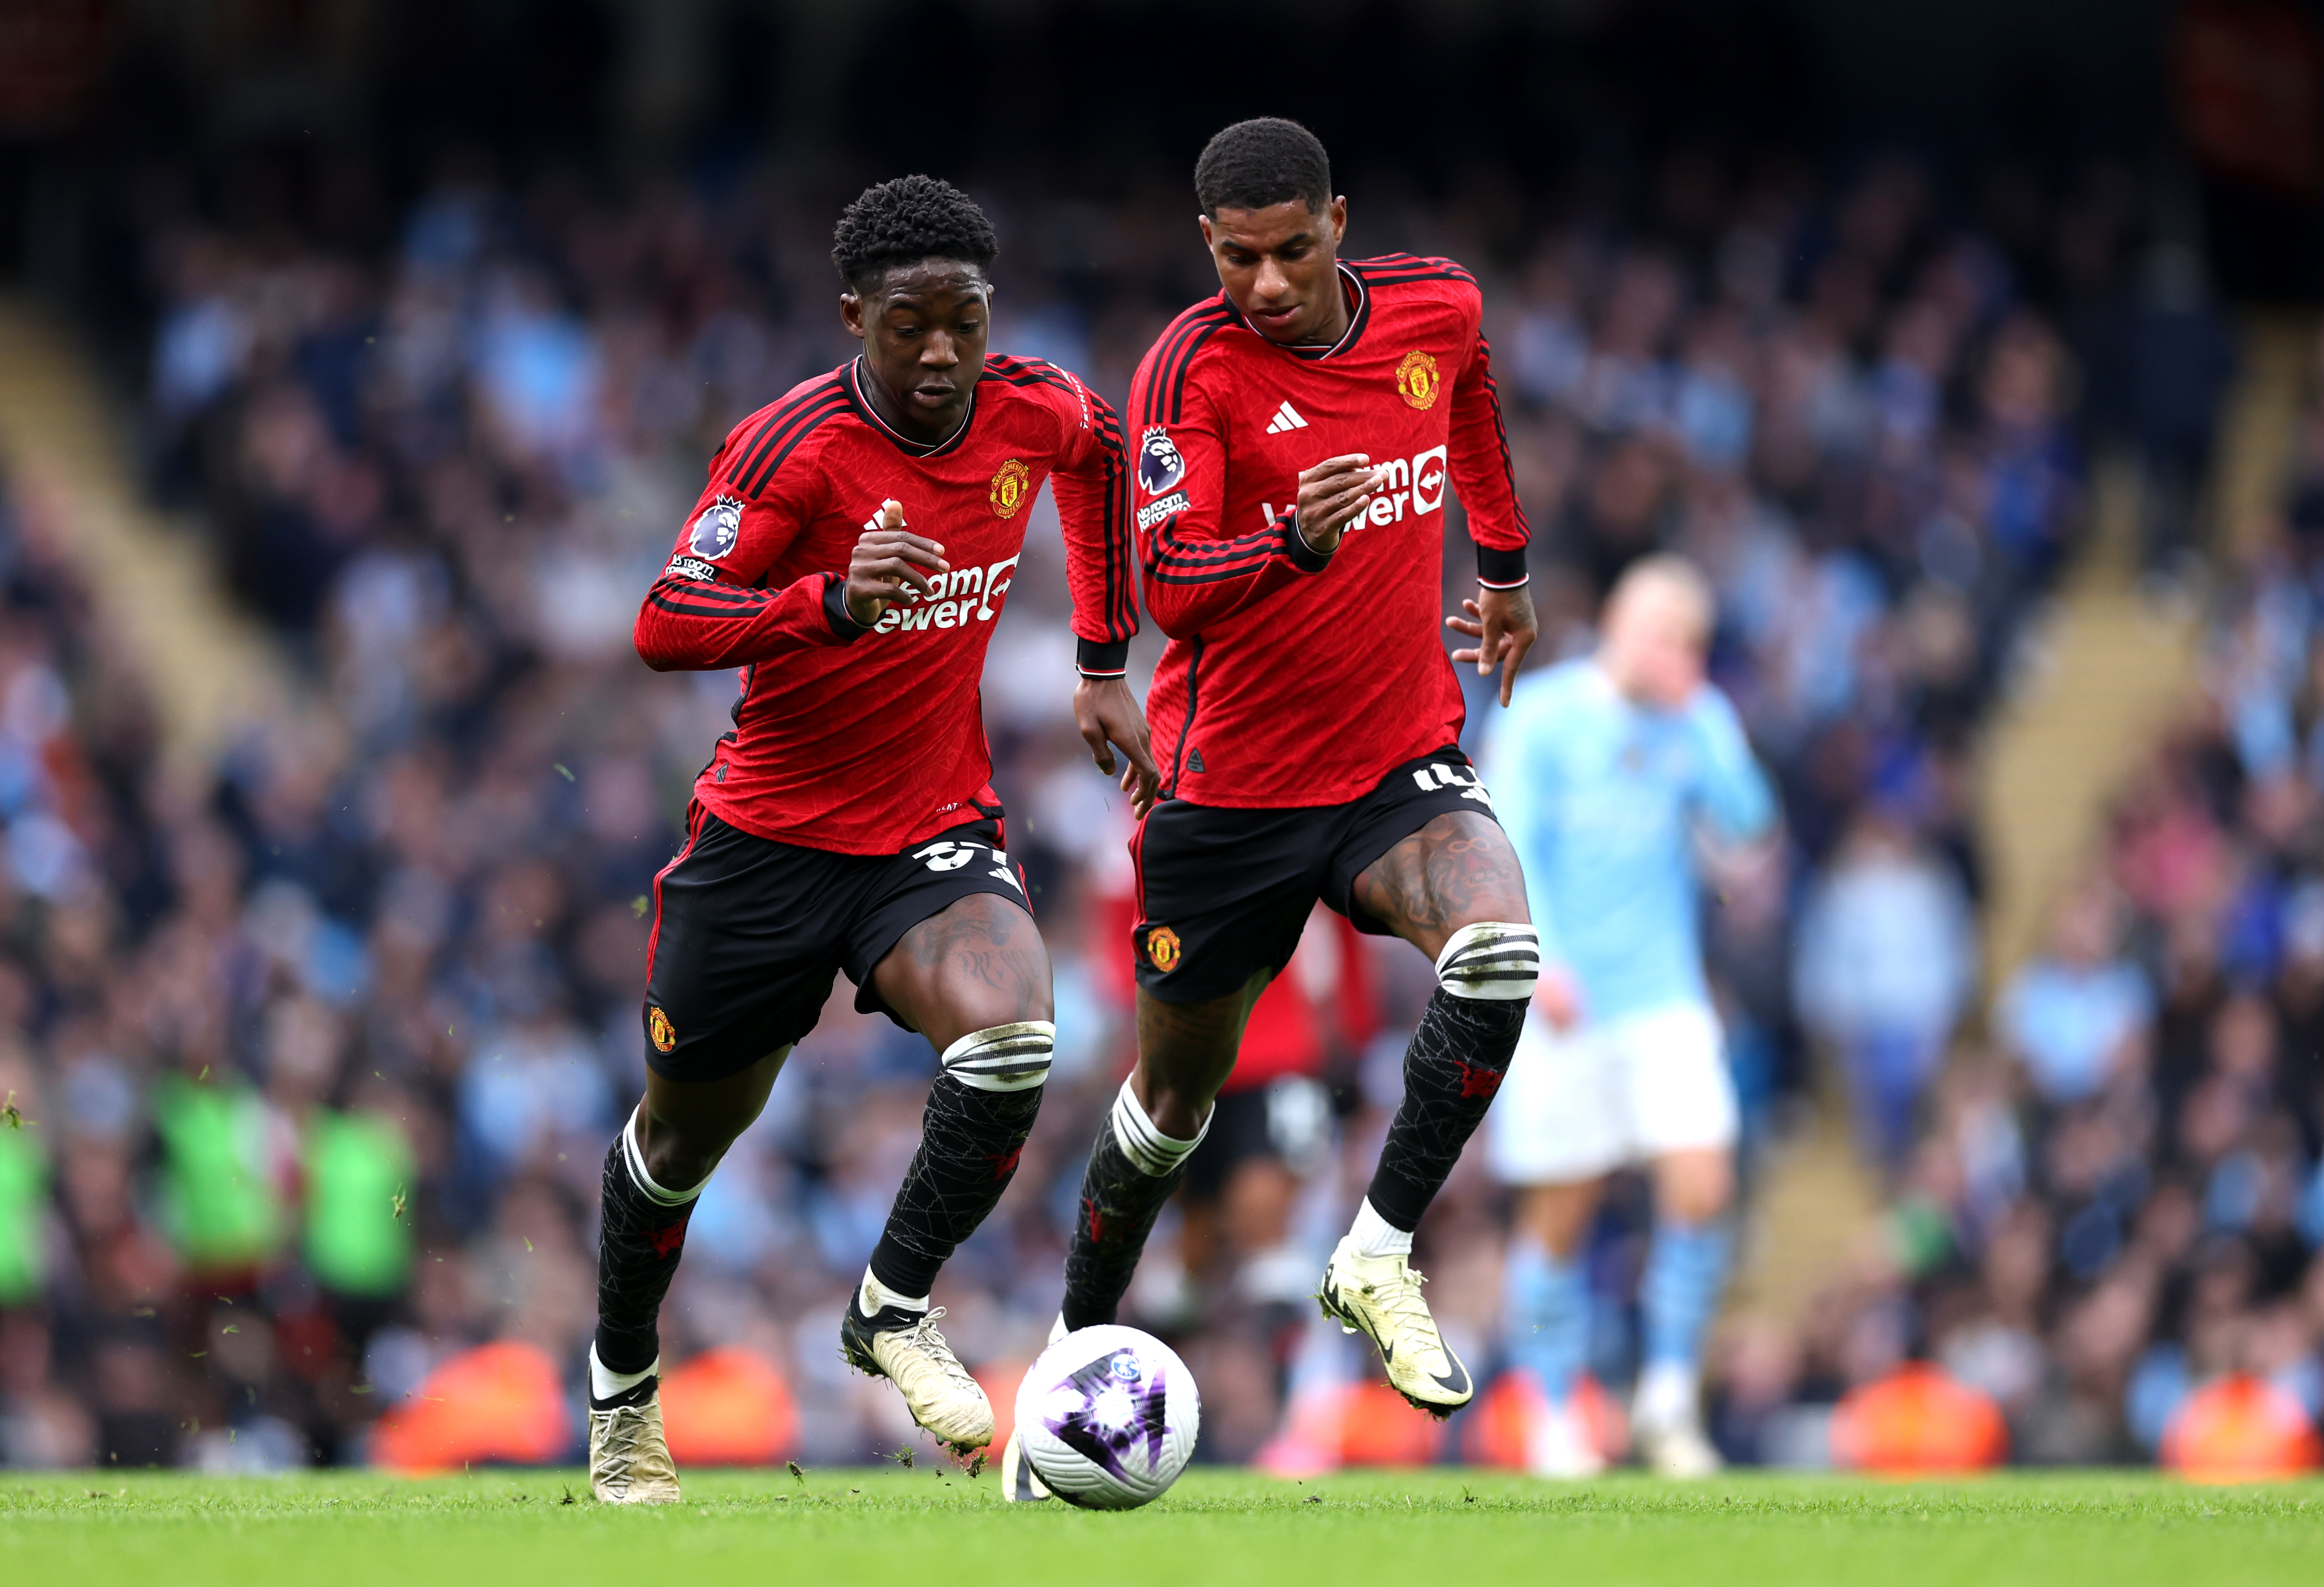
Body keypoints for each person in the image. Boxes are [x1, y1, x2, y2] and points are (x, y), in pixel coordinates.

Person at [585, 176, 1157, 1503]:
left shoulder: (1035, 405)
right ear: (856, 318)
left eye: (965, 317)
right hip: (767, 842)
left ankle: (892, 1304)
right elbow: (667, 619)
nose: (945, 349)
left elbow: (1103, 455)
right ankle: (622, 1399)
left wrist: (1101, 660)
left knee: (1018, 1032)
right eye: (912, 324)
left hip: (928, 828)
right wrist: (826, 604)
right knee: (680, 1145)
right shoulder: (793, 449)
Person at [1004, 116, 1538, 1501]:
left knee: (1497, 945)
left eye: (1293, 249)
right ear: (1209, 249)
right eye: (1241, 258)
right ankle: (1070, 1346)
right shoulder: (1192, 364)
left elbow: (1471, 398)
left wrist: (1509, 565)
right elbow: (1172, 579)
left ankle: (1376, 1249)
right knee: (1171, 1106)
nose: (1269, 283)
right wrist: (1290, 537)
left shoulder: (1439, 308)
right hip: (1228, 793)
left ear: (1339, 221)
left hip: (1389, 763)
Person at [1482, 555, 1777, 1477]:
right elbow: (1506, 839)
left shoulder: (1697, 720)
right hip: (1568, 998)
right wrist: (1544, 960)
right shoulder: (1544, 715)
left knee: (1703, 1185)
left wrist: (1703, 721)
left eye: (1689, 643)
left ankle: (1668, 1394)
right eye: (1660, 634)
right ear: (1618, 622)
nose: (1671, 656)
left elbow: (1752, 824)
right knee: (1561, 1213)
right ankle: (1553, 1406)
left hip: (1664, 996)